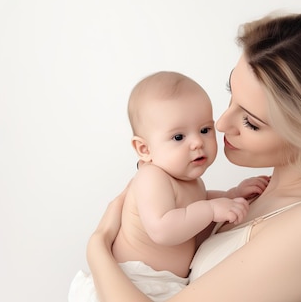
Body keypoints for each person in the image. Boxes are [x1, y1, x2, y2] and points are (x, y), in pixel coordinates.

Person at [86, 11, 301, 302]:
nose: (221, 124)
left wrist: (98, 248)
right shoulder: (257, 194)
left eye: (251, 122)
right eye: (231, 94)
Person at [69, 71, 269, 302]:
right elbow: (163, 229)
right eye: (178, 137)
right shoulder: (152, 178)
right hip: (133, 281)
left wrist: (230, 195)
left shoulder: (190, 182)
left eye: (205, 130)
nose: (197, 142)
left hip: (162, 285)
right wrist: (212, 209)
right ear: (144, 150)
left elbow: (192, 213)